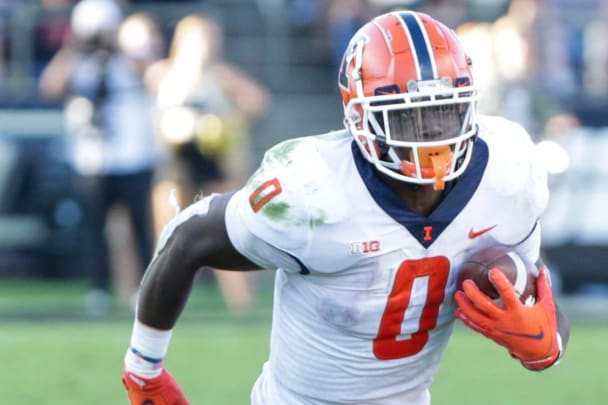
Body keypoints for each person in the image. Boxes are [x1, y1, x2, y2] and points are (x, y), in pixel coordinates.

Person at [121, 11, 570, 404]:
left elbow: (538, 297)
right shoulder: (311, 193)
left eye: (445, 111)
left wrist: (547, 342)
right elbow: (189, 236)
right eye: (407, 117)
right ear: (360, 116)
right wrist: (144, 370)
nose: (432, 134)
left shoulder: (507, 171)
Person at [39, 0, 163, 314]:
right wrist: (73, 49)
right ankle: (98, 288)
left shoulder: (128, 58)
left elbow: (150, 77)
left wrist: (117, 46)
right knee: (94, 228)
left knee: (139, 228)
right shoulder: (77, 61)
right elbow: (50, 87)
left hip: (132, 155)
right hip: (92, 158)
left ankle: (145, 287)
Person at [144, 14, 271, 313]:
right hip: (175, 161)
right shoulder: (164, 73)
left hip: (212, 160)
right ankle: (154, 304)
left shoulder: (221, 75)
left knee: (226, 233)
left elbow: (258, 102)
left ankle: (242, 306)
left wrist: (229, 123)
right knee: (167, 236)